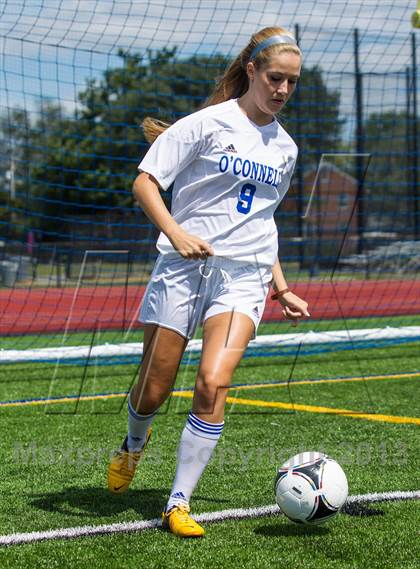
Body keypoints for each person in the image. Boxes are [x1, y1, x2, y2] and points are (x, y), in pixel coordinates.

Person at [108, 25, 310, 538]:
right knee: (154, 389)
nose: (282, 90)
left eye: (291, 82)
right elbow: (145, 182)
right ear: (252, 71)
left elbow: (263, 221)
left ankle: (178, 502)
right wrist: (175, 233)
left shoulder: (285, 148)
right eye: (275, 78)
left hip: (243, 277)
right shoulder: (203, 125)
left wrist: (280, 285)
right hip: (182, 268)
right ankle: (133, 446)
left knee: (213, 381)